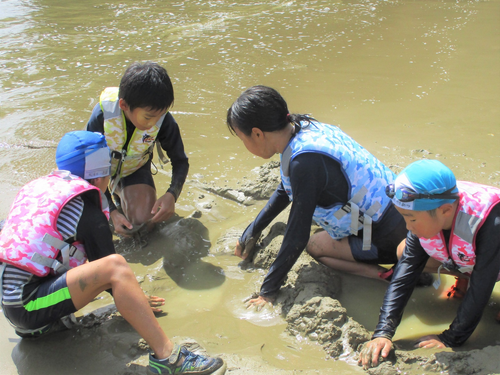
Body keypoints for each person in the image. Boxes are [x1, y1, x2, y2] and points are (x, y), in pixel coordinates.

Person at [0, 131, 225, 375]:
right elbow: (107, 267)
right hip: (26, 306)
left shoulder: (39, 190)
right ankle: (168, 358)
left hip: (11, 299)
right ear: (99, 176)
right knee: (116, 267)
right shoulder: (87, 211)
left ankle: (45, 323)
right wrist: (136, 297)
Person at [226, 85, 412, 310]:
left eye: (242, 138)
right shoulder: (304, 129)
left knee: (315, 246)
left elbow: (298, 233)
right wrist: (252, 230)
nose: (244, 145)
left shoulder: (304, 163)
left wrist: (268, 291)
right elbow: (286, 189)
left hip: (388, 235)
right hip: (401, 211)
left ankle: (390, 272)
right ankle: (389, 271)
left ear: (257, 133)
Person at [359, 159, 500, 369]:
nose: (408, 226)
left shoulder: (488, 221)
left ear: (445, 211)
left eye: (412, 220)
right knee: (404, 250)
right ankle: (462, 281)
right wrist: (383, 333)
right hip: (474, 253)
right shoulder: (432, 208)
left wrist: (450, 338)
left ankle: (463, 282)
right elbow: (404, 276)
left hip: (494, 256)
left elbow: (482, 286)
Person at [86, 61, 189, 236]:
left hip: (134, 169)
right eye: (148, 117)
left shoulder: (162, 120)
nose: (153, 123)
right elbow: (89, 171)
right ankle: (115, 199)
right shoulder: (102, 116)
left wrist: (172, 194)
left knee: (143, 224)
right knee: (93, 224)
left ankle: (123, 194)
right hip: (98, 174)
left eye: (159, 116)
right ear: (124, 105)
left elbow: (180, 161)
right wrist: (110, 211)